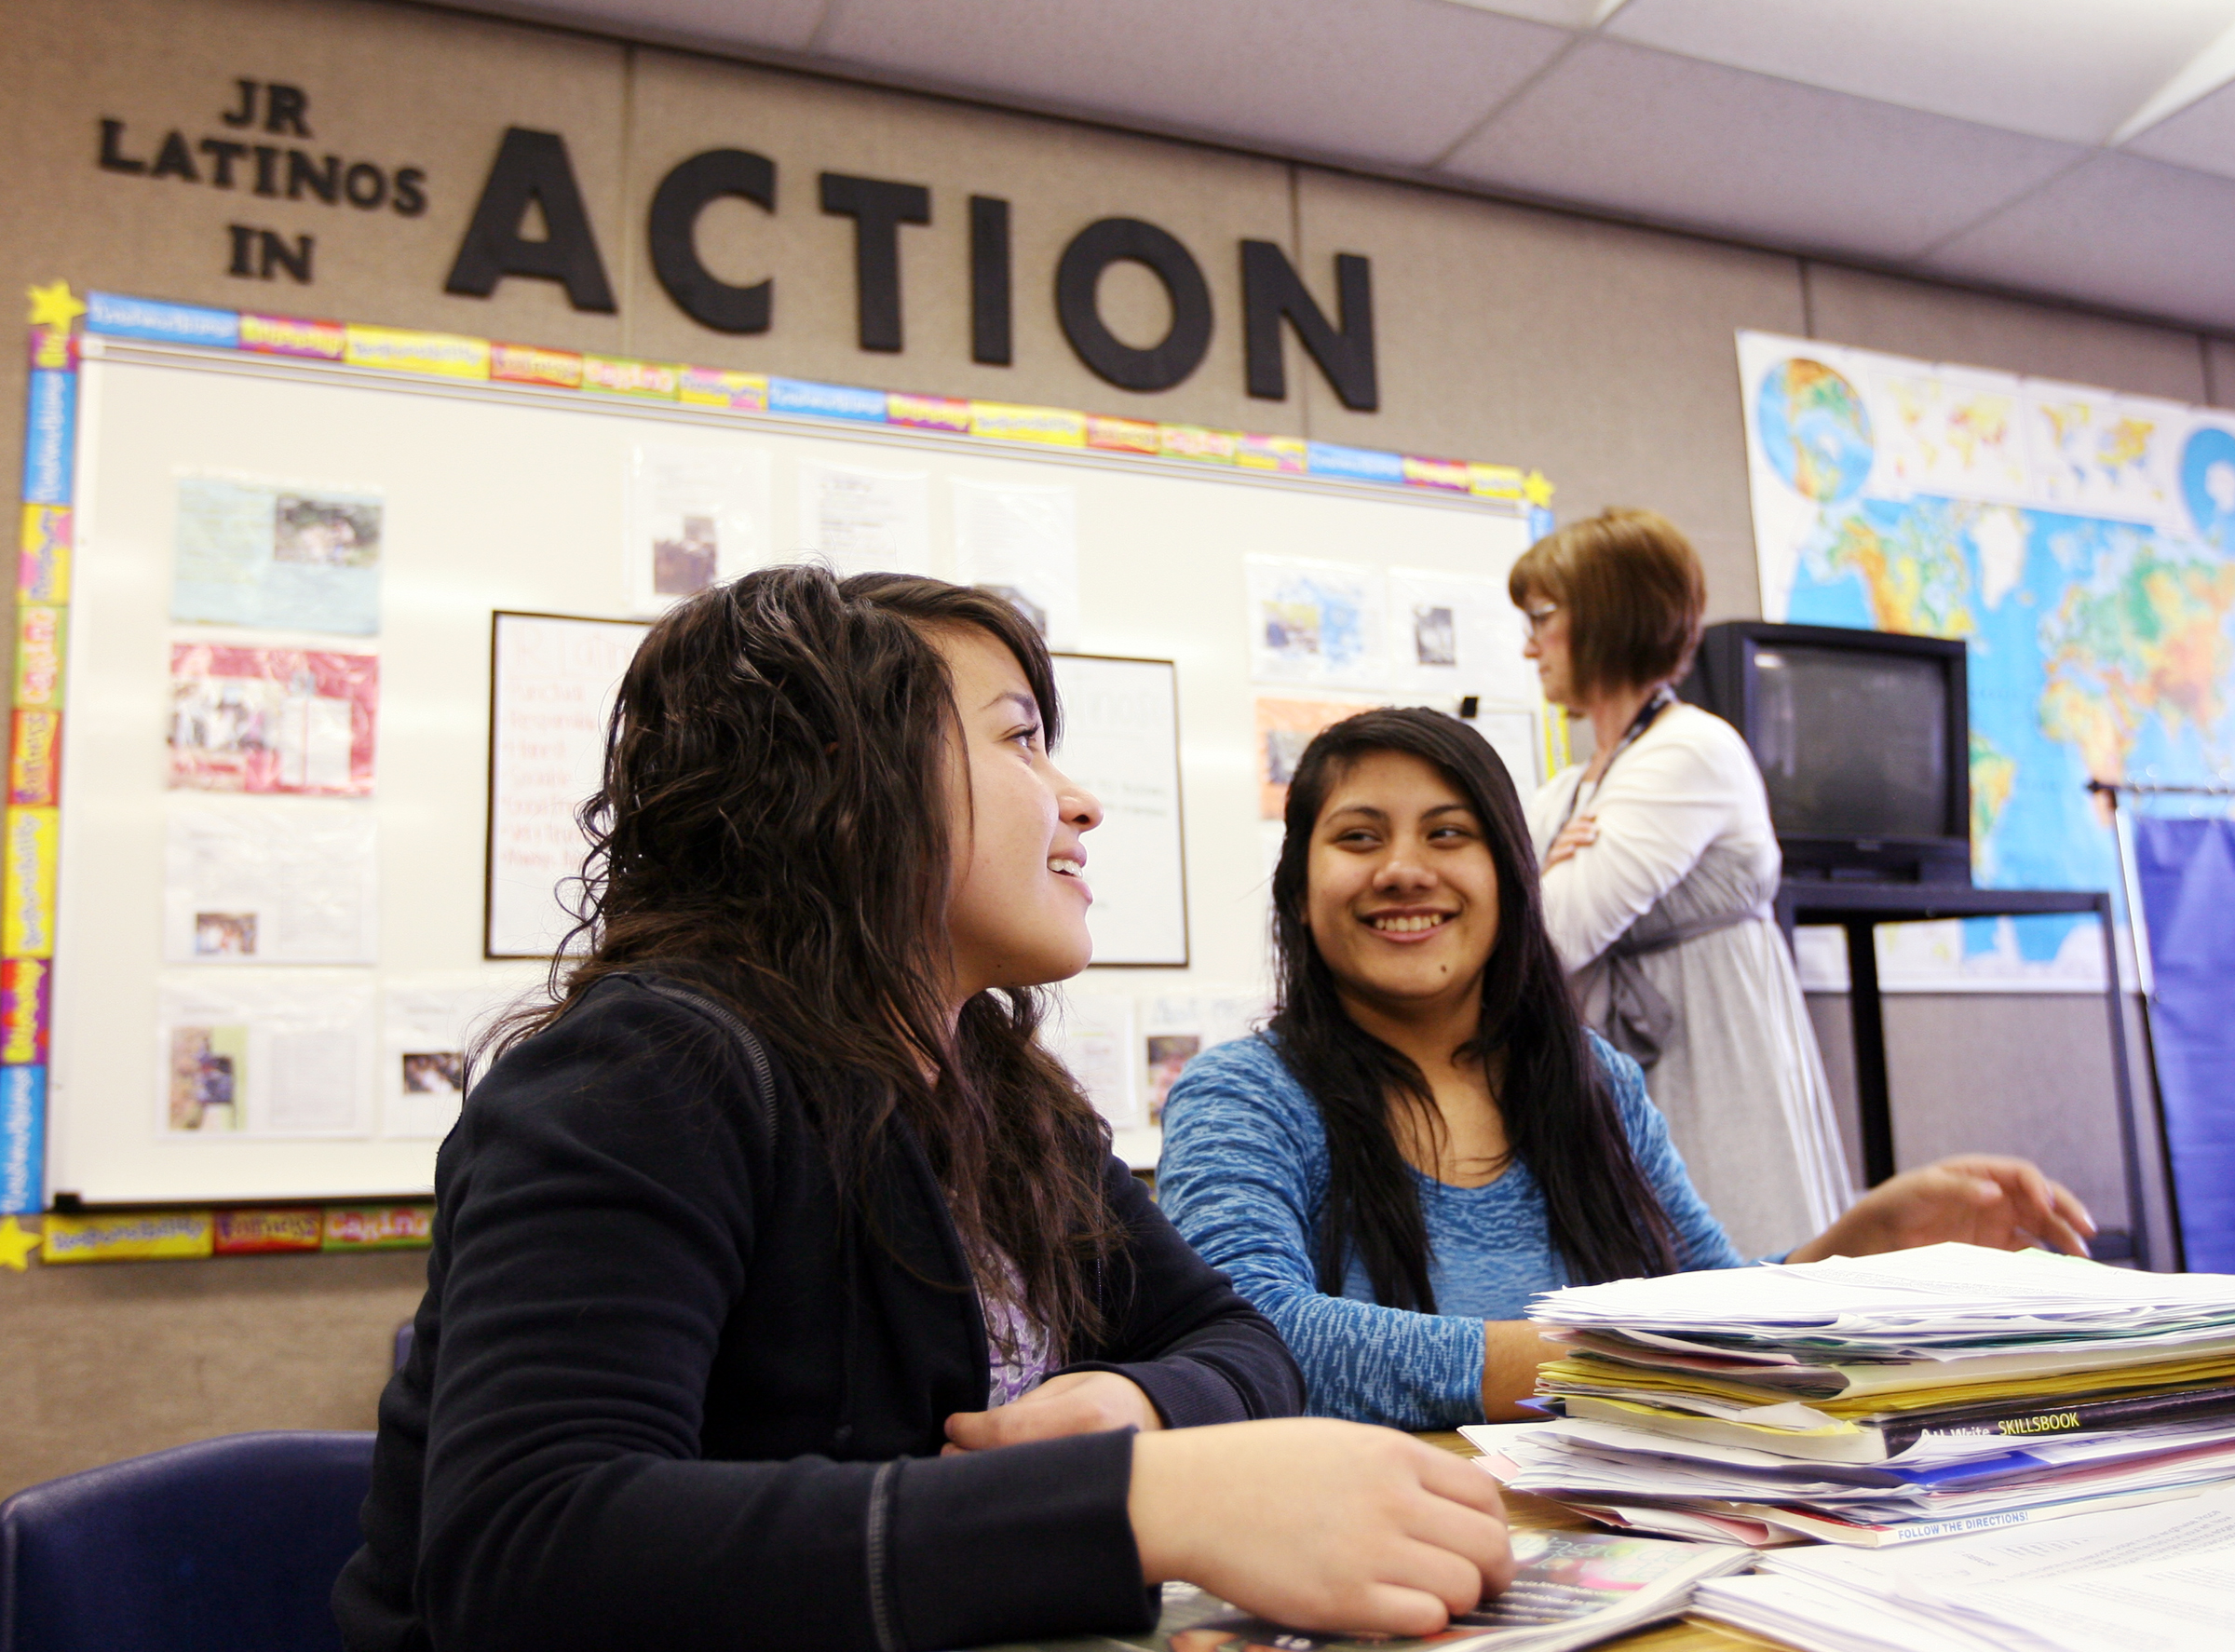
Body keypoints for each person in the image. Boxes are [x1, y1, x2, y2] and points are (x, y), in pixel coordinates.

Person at [333, 571, 1514, 1652]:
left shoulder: (1006, 1096)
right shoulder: (649, 1071)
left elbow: (1236, 1338)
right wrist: (1134, 1503)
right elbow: (529, 1549)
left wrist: (1143, 1402)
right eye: (1020, 739)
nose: (1080, 802)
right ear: (849, 788)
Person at [1158, 708, 2093, 1430]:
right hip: (1390, 1561)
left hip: (1629, 1542)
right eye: (1359, 837)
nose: (1404, 869)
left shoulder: (1592, 1079)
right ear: (1300, 890)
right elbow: (1249, 1340)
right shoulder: (1244, 1094)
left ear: (1511, 880)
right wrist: (1613, 1359)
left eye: (1448, 834)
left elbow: (1709, 1303)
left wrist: (1859, 1245)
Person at [1513, 508, 1849, 1254]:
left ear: (1606, 616)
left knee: (1740, 1287)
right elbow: (1504, 935)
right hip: (1616, 1087)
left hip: (1713, 1072)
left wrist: (1538, 887)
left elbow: (1547, 938)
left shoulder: (1691, 750)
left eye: (1542, 617)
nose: (1528, 645)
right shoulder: (1564, 792)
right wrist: (1538, 889)